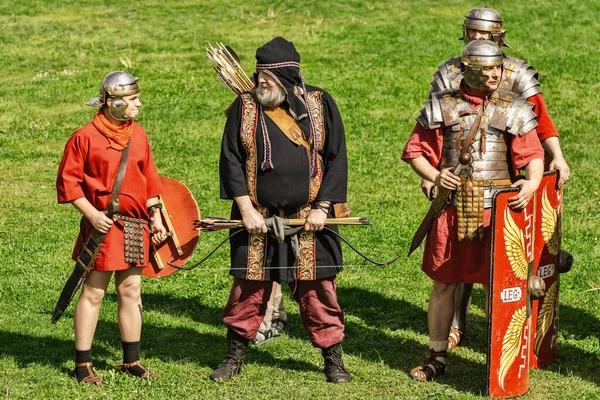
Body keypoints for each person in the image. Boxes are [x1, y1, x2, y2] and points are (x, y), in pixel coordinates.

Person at [425, 6, 570, 349]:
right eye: (472, 32)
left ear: (498, 36)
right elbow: (440, 124)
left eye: (484, 33)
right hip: (461, 175)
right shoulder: (449, 72)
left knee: (507, 257)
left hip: (508, 168)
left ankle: (508, 333)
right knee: (458, 249)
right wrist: (432, 172)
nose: (477, 38)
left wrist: (557, 157)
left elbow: (541, 121)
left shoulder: (518, 73)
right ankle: (456, 324)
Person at [402, 40, 544, 381]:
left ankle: (506, 355)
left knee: (501, 287)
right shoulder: (443, 106)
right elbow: (415, 151)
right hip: (453, 213)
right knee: (444, 285)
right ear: (470, 70)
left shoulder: (514, 107)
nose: (496, 74)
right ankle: (437, 356)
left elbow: (533, 155)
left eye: (498, 68)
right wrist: (436, 175)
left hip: (498, 214)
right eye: (488, 69)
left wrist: (531, 182)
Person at [211, 37, 351, 383]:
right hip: (257, 217)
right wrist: (245, 209)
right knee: (248, 290)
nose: (260, 82)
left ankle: (333, 361)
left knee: (319, 292)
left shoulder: (320, 104)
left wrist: (322, 207)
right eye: (258, 75)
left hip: (310, 220)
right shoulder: (244, 107)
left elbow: (336, 157)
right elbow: (231, 160)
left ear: (288, 77)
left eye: (268, 77)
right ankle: (233, 357)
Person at [56, 71, 168, 385]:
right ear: (111, 102)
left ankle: (131, 361)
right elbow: (68, 183)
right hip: (102, 228)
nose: (138, 104)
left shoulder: (139, 134)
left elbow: (150, 180)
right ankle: (83, 364)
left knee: (130, 292)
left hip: (135, 227)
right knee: (93, 293)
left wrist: (156, 215)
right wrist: (92, 215)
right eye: (132, 100)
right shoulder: (85, 137)